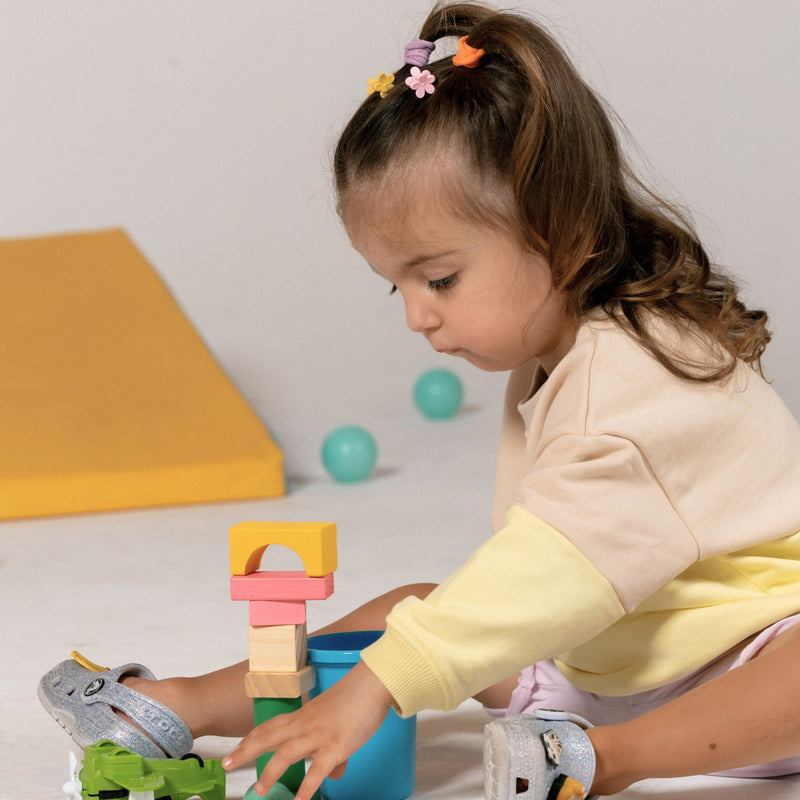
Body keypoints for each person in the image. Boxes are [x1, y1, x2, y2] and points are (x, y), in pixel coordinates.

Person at [38, 3, 800, 799]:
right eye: (395, 285)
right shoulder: (559, 351)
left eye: (439, 279)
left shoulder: (646, 372)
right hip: (601, 661)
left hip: (745, 666)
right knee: (418, 607)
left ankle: (600, 762)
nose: (416, 315)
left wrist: (378, 688)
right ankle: (180, 704)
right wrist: (401, 662)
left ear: (562, 228)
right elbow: (539, 583)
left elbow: (560, 565)